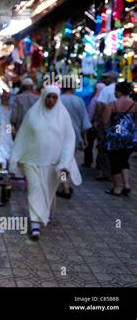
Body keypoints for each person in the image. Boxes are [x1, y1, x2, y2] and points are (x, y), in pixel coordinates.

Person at [10, 86, 82, 239]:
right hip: (31, 162)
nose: (51, 100)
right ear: (43, 97)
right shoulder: (32, 116)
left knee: (48, 192)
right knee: (35, 190)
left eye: (54, 97)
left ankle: (45, 213)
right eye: (48, 97)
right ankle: (35, 224)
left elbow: (69, 141)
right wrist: (15, 159)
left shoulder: (63, 117)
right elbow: (22, 137)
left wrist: (64, 164)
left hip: (54, 164)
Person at [102, 81, 136, 196]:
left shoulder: (112, 105)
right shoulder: (134, 105)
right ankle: (126, 184)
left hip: (115, 136)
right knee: (124, 160)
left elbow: (105, 122)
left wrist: (107, 132)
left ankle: (117, 188)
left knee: (115, 162)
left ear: (119, 91)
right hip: (129, 137)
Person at [59, 86, 92, 198]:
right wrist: (85, 138)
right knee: (68, 161)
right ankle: (66, 184)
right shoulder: (79, 101)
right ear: (73, 89)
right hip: (74, 137)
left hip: (59, 136)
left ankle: (65, 186)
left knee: (62, 162)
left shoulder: (58, 99)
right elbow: (85, 122)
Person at [94, 71, 119, 181]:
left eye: (106, 77)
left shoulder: (106, 90)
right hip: (119, 125)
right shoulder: (120, 90)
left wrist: (98, 120)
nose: (104, 79)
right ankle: (116, 171)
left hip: (107, 122)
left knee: (103, 145)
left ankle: (104, 171)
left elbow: (100, 106)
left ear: (112, 78)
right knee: (116, 145)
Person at [83, 82, 105, 168]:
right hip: (102, 126)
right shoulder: (105, 99)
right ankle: (99, 164)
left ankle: (88, 161)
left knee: (89, 144)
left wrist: (87, 124)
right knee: (100, 146)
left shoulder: (95, 99)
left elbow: (90, 113)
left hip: (92, 126)